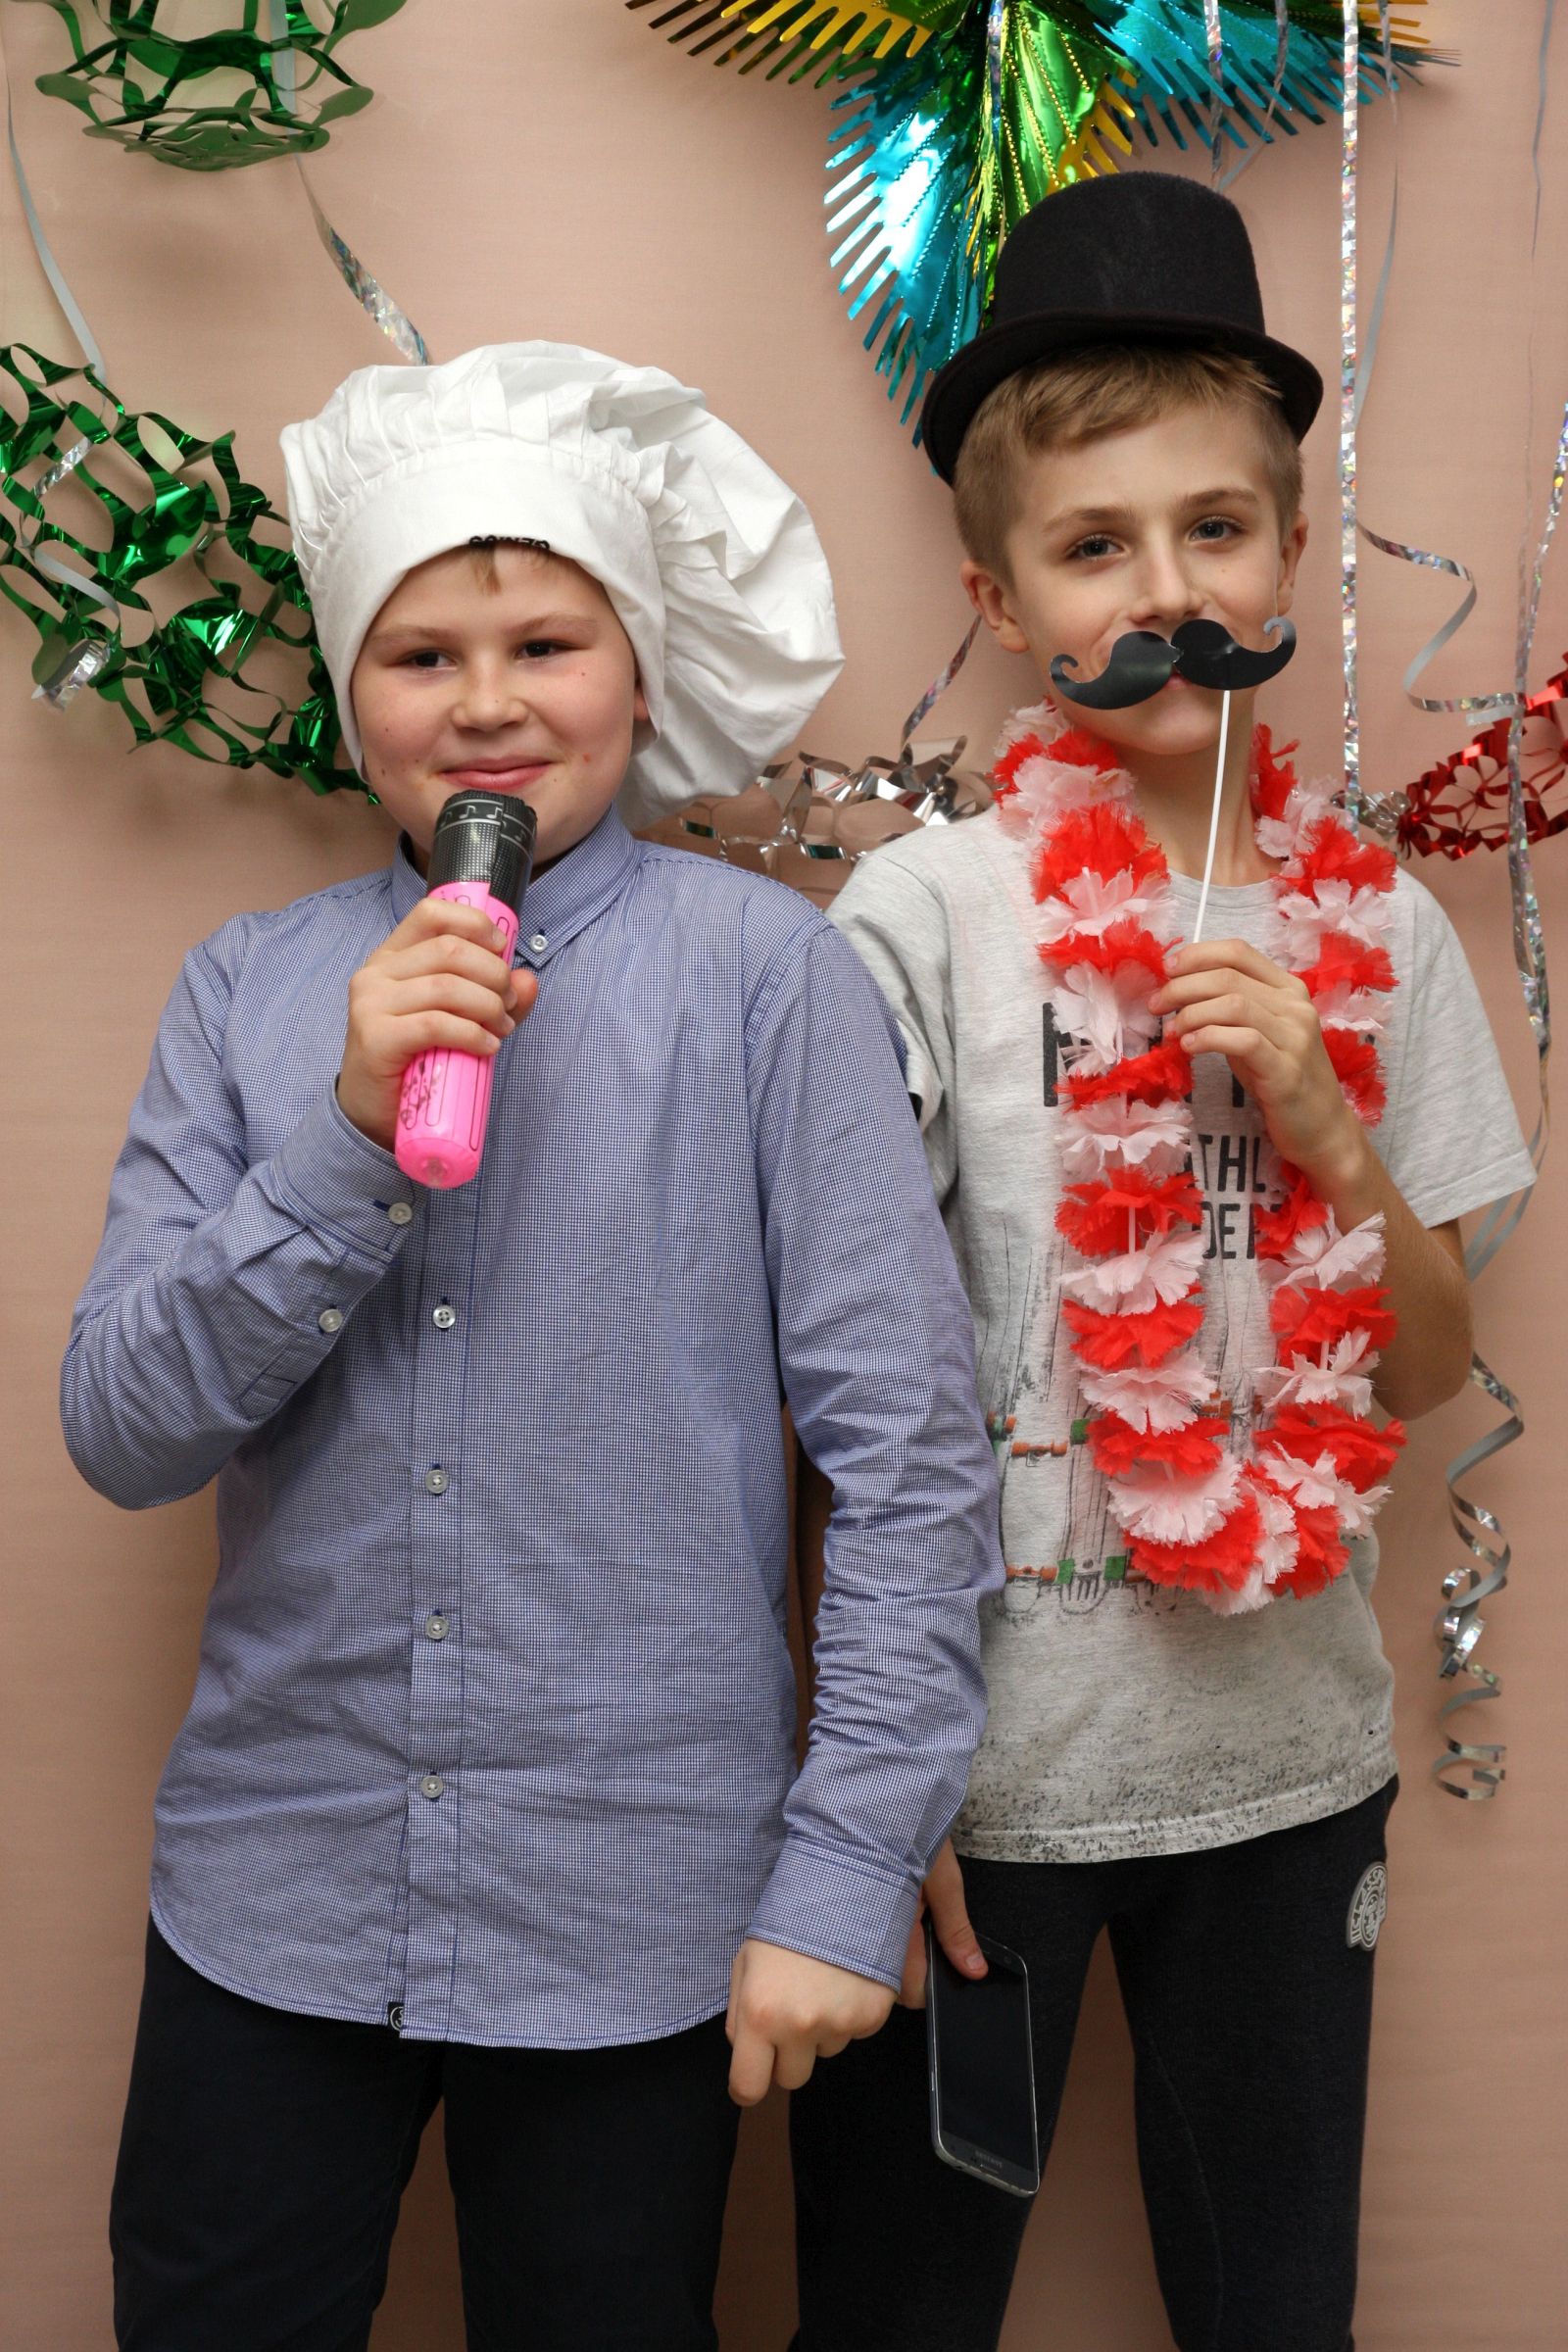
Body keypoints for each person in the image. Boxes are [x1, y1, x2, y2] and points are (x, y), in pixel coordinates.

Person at [62, 342, 1004, 2352]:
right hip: (271, 1890)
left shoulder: (767, 983)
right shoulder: (246, 990)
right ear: (353, 703)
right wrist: (341, 1132)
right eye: (422, 656)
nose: (485, 702)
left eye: (546, 644)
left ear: (639, 680)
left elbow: (912, 1456)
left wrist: (844, 1875)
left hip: (634, 1908)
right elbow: (123, 1429)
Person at [791, 173, 1537, 2352]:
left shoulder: (1377, 928)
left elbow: (1423, 1368)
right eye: (1094, 547)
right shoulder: (925, 914)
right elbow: (816, 1374)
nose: (1167, 593)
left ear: (1288, 552)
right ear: (1001, 595)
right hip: (972, 1779)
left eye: (1214, 529)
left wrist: (1322, 1123)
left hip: (1288, 1770)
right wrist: (859, 1786)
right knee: (896, 2308)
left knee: (1271, 2307)